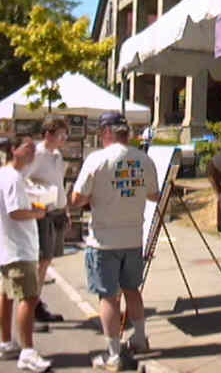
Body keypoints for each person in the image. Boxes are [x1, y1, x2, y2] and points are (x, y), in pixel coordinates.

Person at [71, 111, 159, 371]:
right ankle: (140, 339)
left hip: (104, 240)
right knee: (132, 290)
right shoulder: (144, 159)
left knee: (108, 298)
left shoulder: (96, 159)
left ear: (107, 132)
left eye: (101, 132)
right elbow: (154, 195)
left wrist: (98, 195)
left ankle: (113, 355)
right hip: (133, 237)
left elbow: (77, 199)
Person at [0, 136, 52, 372]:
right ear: (13, 150)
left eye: (33, 148)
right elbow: (15, 212)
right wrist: (37, 213)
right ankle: (27, 352)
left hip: (8, 247)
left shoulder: (8, 175)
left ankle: (6, 343)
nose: (32, 152)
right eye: (27, 148)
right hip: (19, 248)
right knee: (29, 298)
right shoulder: (12, 178)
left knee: (8, 296)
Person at [24, 115, 70, 325]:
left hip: (56, 212)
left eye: (65, 135)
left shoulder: (57, 155)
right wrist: (39, 195)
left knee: (47, 260)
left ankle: (36, 302)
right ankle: (32, 305)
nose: (64, 139)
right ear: (48, 134)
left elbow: (59, 183)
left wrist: (65, 209)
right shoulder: (38, 154)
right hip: (42, 212)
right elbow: (24, 180)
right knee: (41, 260)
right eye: (61, 135)